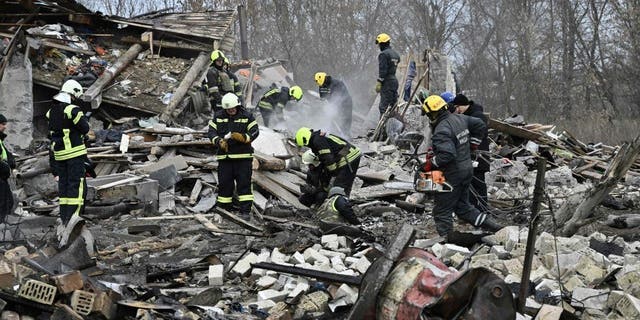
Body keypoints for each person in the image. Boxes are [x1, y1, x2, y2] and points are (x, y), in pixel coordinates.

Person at [421, 95, 501, 237]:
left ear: (432, 114)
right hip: (466, 170)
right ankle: (495, 228)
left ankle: (447, 241)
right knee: (463, 207)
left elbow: (447, 155)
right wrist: (473, 144)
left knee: (442, 210)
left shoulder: (441, 130)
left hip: (452, 175)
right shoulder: (459, 118)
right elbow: (481, 124)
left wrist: (430, 164)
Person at [208, 93, 259, 217]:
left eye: (232, 109)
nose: (231, 111)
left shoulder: (247, 116)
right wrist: (218, 141)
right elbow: (211, 132)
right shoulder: (219, 116)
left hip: (243, 158)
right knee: (225, 184)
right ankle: (224, 209)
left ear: (237, 105)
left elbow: (255, 131)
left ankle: (245, 211)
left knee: (244, 185)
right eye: (228, 109)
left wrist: (244, 138)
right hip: (225, 158)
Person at [47, 80, 91, 226]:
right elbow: (85, 128)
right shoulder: (73, 110)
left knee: (64, 186)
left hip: (59, 155)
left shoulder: (50, 112)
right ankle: (75, 218)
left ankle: (65, 217)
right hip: (74, 154)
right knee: (76, 185)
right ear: (73, 94)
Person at [451, 93, 490, 212]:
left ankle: (482, 210)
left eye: (457, 108)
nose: (457, 111)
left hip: (479, 156)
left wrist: (472, 146)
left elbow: (479, 132)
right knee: (471, 185)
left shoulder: (477, 115)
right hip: (471, 156)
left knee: (478, 184)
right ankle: (474, 210)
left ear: (462, 106)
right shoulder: (470, 115)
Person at [295, 127, 360, 196]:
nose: (307, 146)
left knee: (339, 186)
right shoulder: (318, 137)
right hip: (350, 155)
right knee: (344, 185)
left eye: (305, 145)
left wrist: (333, 172)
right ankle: (343, 201)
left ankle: (340, 203)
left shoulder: (317, 141)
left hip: (349, 158)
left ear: (305, 140)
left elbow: (328, 158)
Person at [374, 33, 400, 117]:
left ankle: (383, 128)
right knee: (393, 106)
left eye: (379, 44)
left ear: (382, 43)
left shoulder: (383, 54)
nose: (379, 47)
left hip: (387, 82)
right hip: (394, 81)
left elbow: (383, 70)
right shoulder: (395, 54)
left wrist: (379, 82)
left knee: (383, 107)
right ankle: (393, 126)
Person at [0, 114, 16, 220]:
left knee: (8, 202)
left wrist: (12, 164)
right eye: (2, 124)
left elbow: (6, 154)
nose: (5, 127)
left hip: (2, 178)